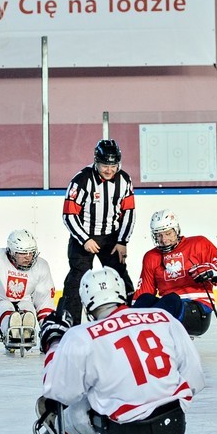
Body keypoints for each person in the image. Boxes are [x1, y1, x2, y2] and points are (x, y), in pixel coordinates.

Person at [34, 266, 205, 434]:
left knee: (82, 405)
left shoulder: (81, 336)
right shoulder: (163, 317)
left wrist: (54, 341)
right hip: (174, 424)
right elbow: (195, 378)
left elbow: (58, 392)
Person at [60, 138, 136, 325]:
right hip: (83, 237)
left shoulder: (125, 180)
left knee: (120, 277)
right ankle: (71, 325)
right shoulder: (81, 180)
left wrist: (122, 241)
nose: (109, 170)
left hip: (112, 238)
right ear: (96, 162)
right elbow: (69, 215)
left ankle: (129, 320)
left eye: (113, 165)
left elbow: (129, 213)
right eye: (104, 165)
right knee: (77, 280)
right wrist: (85, 239)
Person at [132, 209, 217, 337]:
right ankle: (131, 335)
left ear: (176, 230)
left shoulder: (199, 244)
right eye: (159, 235)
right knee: (145, 299)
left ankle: (147, 333)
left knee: (172, 299)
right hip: (167, 308)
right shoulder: (151, 256)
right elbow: (143, 293)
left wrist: (212, 272)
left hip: (197, 312)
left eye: (168, 233)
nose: (164, 239)